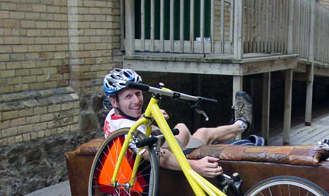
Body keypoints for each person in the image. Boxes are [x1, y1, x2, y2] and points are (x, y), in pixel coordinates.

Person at [102, 68, 253, 178]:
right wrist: (196, 166)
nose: (136, 101)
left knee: (182, 128)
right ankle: (241, 125)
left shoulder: (114, 115)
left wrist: (147, 120)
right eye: (128, 97)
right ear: (114, 101)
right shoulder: (127, 129)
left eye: (138, 94)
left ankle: (236, 128)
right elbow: (159, 157)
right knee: (200, 132)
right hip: (159, 170)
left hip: (148, 158)